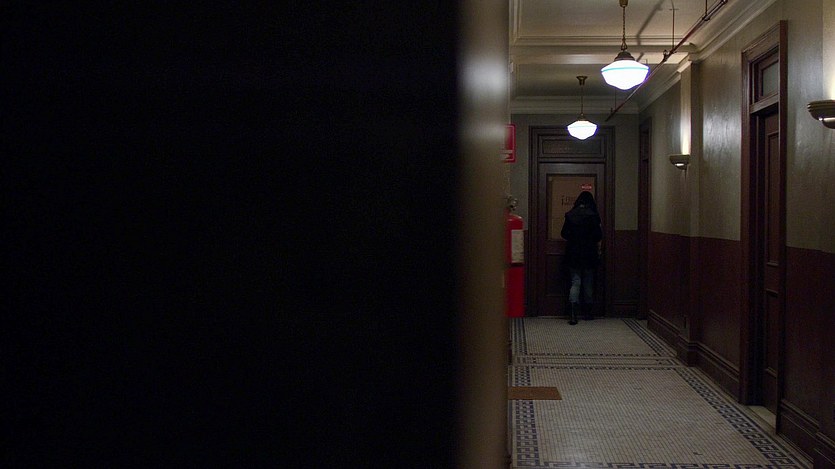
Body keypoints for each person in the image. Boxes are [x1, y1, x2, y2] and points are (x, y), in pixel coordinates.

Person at [560, 191, 603, 325]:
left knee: (575, 281)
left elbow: (564, 233)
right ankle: (588, 313)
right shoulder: (593, 216)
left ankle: (573, 314)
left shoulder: (570, 215)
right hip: (589, 253)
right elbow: (598, 236)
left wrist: (574, 238)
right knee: (588, 282)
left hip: (573, 253)